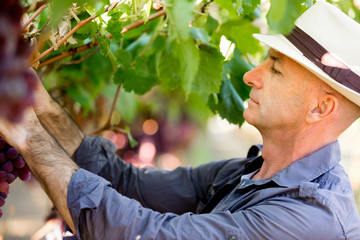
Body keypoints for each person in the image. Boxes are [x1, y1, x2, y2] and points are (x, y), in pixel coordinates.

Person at [1, 1, 360, 239]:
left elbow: (150, 234)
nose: (251, 75)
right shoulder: (249, 173)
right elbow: (126, 184)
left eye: (276, 69)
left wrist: (29, 136)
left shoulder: (310, 219)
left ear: (320, 109)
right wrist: (42, 106)